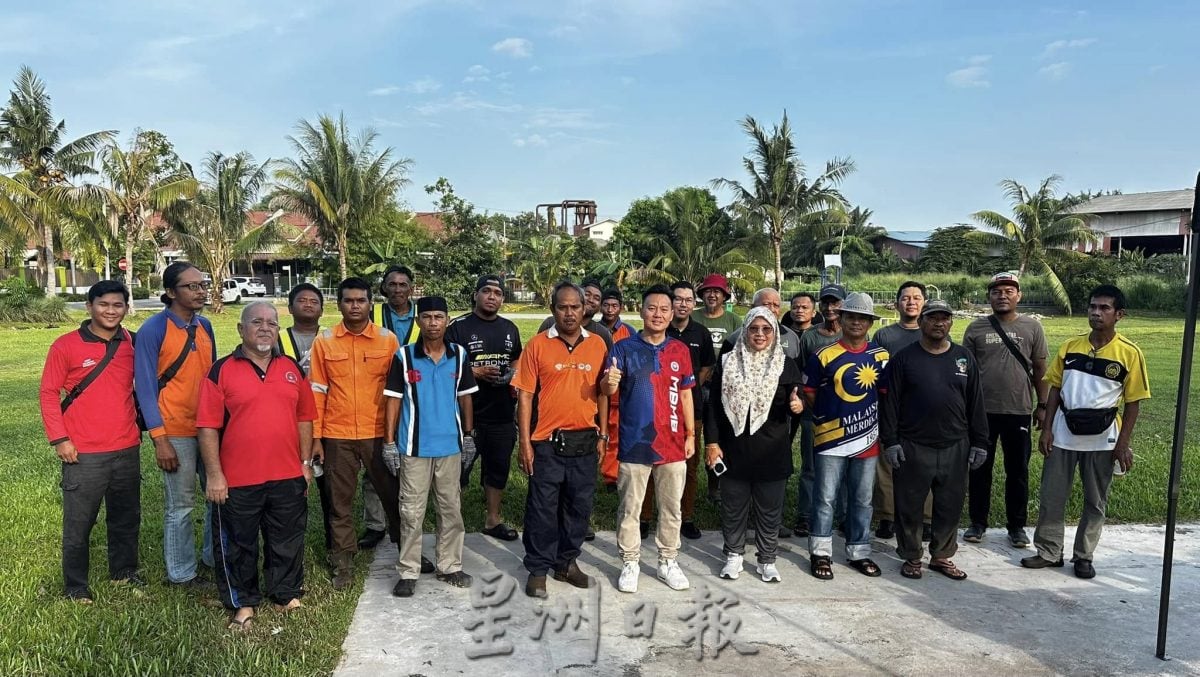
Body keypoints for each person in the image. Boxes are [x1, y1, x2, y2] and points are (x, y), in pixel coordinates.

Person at [198, 301, 316, 631]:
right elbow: (207, 426)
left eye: (271, 323)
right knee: (238, 544)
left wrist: (305, 464)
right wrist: (214, 473)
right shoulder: (221, 370)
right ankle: (243, 602)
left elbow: (305, 417)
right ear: (241, 329)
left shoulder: (291, 367)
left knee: (287, 538)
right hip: (237, 478)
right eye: (256, 322)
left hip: (287, 474)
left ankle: (285, 594)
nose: (265, 328)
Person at [1022, 285, 1150, 579]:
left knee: (1095, 501)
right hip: (1064, 434)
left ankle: (1084, 556)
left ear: (1119, 315)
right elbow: (1055, 387)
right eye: (1092, 306)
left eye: (1104, 308)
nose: (1096, 313)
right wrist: (1048, 429)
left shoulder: (1129, 353)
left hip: (1103, 437)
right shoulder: (1070, 346)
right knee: (1052, 496)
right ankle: (1049, 552)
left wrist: (1122, 444)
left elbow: (1133, 404)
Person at [40, 280, 143, 603]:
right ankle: (75, 586)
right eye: (103, 304)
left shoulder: (132, 343)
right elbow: (48, 393)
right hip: (83, 452)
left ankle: (123, 572)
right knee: (79, 524)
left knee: (126, 517)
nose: (110, 311)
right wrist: (60, 439)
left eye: (117, 305)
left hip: (127, 446)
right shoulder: (66, 345)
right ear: (89, 306)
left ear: (126, 308)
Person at [310, 277, 413, 590]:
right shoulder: (325, 341)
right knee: (338, 502)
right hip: (337, 435)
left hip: (379, 433)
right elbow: (317, 391)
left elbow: (399, 392)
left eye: (360, 301)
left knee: (396, 499)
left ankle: (408, 555)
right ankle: (342, 561)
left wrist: (396, 435)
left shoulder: (387, 340)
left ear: (371, 304)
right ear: (339, 304)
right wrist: (316, 437)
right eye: (348, 301)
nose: (354, 306)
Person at [513, 282, 609, 599]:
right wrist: (525, 441)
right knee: (542, 508)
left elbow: (604, 393)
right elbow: (525, 396)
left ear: (584, 309)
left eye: (575, 307)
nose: (569, 313)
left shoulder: (597, 345)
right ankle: (538, 569)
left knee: (578, 507)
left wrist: (603, 433)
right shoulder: (538, 345)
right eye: (562, 307)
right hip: (546, 442)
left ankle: (566, 562)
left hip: (584, 441)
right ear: (553, 309)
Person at [881, 300, 988, 581]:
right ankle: (912, 556)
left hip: (955, 444)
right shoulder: (904, 359)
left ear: (951, 323)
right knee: (909, 504)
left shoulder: (963, 358)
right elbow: (889, 403)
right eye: (932, 318)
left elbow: (976, 402)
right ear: (922, 322)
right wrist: (890, 441)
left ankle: (941, 555)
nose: (939, 323)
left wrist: (980, 442)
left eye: (945, 318)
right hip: (913, 444)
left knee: (949, 504)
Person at [384, 296, 479, 597]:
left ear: (447, 320)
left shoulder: (460, 355)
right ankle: (409, 571)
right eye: (427, 317)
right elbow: (392, 401)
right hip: (414, 448)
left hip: (450, 446)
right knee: (411, 512)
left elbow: (466, 396)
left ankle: (449, 565)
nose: (433, 323)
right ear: (418, 321)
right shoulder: (404, 357)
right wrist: (389, 443)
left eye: (439, 317)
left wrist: (468, 436)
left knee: (451, 509)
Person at [604, 284, 696, 593]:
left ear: (672, 314)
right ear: (641, 311)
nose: (657, 314)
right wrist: (609, 382)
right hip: (635, 443)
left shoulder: (679, 351)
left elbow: (685, 394)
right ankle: (630, 560)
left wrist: (691, 433)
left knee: (671, 508)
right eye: (651, 308)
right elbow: (608, 390)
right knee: (630, 506)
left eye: (663, 309)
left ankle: (668, 560)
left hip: (672, 444)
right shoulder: (623, 349)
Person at [134, 261, 217, 588]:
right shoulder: (153, 329)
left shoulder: (205, 326)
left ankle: (214, 558)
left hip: (209, 429)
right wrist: (160, 439)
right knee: (181, 506)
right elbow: (145, 387)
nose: (200, 292)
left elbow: (213, 380)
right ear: (170, 292)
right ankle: (181, 573)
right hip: (175, 431)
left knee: (217, 497)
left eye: (202, 285)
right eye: (191, 286)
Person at [706, 308, 804, 583]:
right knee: (733, 505)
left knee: (770, 509)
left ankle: (767, 559)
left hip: (772, 449)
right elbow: (713, 406)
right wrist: (712, 443)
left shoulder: (786, 364)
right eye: (754, 328)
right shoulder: (727, 362)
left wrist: (799, 406)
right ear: (745, 330)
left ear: (774, 333)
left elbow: (799, 402)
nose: (760, 334)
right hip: (733, 448)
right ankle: (734, 555)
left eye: (766, 329)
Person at [804, 292, 888, 580]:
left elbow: (885, 396)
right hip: (830, 439)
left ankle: (859, 552)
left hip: (867, 439)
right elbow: (810, 393)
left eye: (862, 318)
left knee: (862, 499)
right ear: (840, 319)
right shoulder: (822, 355)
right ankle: (820, 552)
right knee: (825, 498)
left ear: (870, 323)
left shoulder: (881, 357)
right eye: (851, 316)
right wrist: (833, 419)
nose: (856, 322)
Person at [962, 272, 1049, 548]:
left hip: (1019, 410)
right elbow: (964, 371)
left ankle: (1017, 527)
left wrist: (1043, 406)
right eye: (997, 291)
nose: (1003, 296)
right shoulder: (976, 328)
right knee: (979, 469)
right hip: (981, 412)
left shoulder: (1032, 327)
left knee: (1017, 471)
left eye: (1009, 291)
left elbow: (1040, 368)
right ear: (989, 296)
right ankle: (977, 523)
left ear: (1018, 296)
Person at [445, 275, 523, 542]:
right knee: (458, 471)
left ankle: (492, 520)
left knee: (498, 467)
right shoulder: (458, 327)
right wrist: (473, 372)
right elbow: (441, 363)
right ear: (476, 295)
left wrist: (510, 376)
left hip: (501, 412)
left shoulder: (510, 328)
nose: (492, 296)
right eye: (487, 291)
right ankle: (453, 523)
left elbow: (516, 361)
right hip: (466, 415)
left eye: (498, 293)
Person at [641, 280, 716, 541]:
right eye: (678, 299)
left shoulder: (701, 334)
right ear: (670, 304)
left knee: (688, 466)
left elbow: (706, 368)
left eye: (688, 300)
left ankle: (686, 517)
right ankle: (645, 517)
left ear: (694, 304)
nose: (683, 304)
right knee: (651, 463)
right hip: (655, 410)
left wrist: (688, 388)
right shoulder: (660, 329)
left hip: (689, 409)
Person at [359, 265, 421, 549]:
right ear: (383, 288)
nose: (397, 289)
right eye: (392, 284)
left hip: (415, 397)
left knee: (410, 463)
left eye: (403, 284)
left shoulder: (424, 317)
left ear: (412, 288)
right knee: (374, 463)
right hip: (376, 397)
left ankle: (407, 520)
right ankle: (375, 523)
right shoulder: (373, 315)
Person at [871, 281, 933, 541]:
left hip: (923, 409)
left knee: (923, 465)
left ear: (924, 303)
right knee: (886, 464)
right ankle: (887, 517)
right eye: (905, 298)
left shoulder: (932, 332)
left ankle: (926, 518)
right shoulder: (884, 336)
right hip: (889, 408)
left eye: (916, 298)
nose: (911, 302)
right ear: (896, 303)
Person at [794, 283, 846, 537]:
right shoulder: (810, 336)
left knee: (845, 466)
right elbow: (804, 376)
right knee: (811, 467)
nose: (830, 307)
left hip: (845, 411)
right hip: (813, 412)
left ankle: (844, 515)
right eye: (825, 302)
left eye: (835, 302)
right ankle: (805, 515)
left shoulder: (853, 333)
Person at [691, 273, 742, 503]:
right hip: (695, 385)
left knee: (719, 436)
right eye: (708, 291)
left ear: (724, 296)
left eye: (717, 292)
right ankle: (686, 483)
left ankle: (715, 487)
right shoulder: (693, 318)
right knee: (693, 433)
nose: (712, 295)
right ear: (702, 295)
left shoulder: (733, 321)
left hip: (724, 387)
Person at [597, 287, 634, 490]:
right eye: (606, 305)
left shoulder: (628, 331)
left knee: (615, 434)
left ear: (620, 308)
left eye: (615, 305)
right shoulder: (594, 329)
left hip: (619, 393)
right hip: (595, 388)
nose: (610, 309)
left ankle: (611, 476)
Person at [538, 278, 613, 349]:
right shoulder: (550, 323)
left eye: (596, 298)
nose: (591, 300)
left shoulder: (603, 334)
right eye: (587, 294)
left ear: (600, 306)